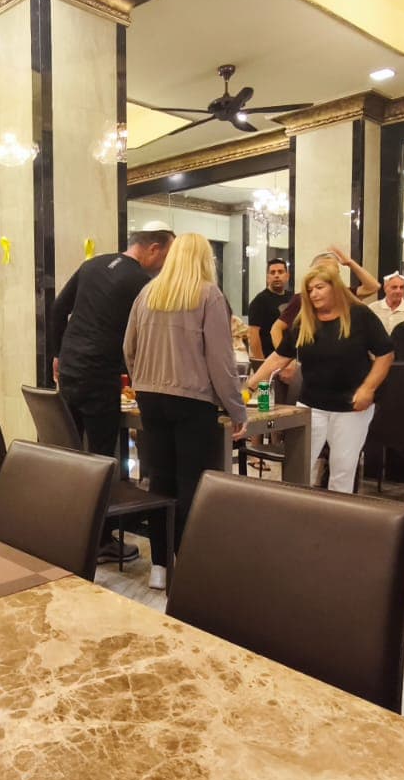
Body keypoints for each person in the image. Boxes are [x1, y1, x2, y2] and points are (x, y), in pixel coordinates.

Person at [49, 222, 175, 564]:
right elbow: (144, 337)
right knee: (103, 459)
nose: (165, 264)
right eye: (166, 255)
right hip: (99, 375)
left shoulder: (92, 265)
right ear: (153, 248)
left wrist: (58, 354)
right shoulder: (140, 282)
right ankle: (102, 539)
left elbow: (59, 309)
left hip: (71, 370)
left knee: (73, 454)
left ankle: (69, 529)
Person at [123, 233, 248, 557]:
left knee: (159, 480)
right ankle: (189, 560)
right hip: (193, 400)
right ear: (205, 259)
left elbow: (128, 348)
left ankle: (160, 565)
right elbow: (221, 361)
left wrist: (143, 381)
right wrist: (236, 409)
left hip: (150, 398)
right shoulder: (209, 295)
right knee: (193, 482)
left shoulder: (148, 293)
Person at [248, 261, 394, 493]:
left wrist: (368, 388)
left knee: (342, 471)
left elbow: (386, 354)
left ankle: (335, 514)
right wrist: (249, 386)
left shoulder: (359, 315)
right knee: (298, 467)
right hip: (311, 406)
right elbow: (279, 358)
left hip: (350, 409)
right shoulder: (304, 321)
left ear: (334, 287)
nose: (314, 294)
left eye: (319, 288)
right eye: (310, 290)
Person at [270, 245, 378, 351]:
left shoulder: (344, 294)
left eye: (333, 270)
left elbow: (373, 287)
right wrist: (286, 357)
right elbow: (276, 329)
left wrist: (349, 263)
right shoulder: (302, 298)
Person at [245, 258, 290, 362]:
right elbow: (253, 335)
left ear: (287, 276)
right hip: (269, 359)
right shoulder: (259, 301)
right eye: (272, 272)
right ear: (267, 277)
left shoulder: (291, 298)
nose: (276, 275)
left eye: (280, 272)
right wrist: (261, 363)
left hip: (289, 359)